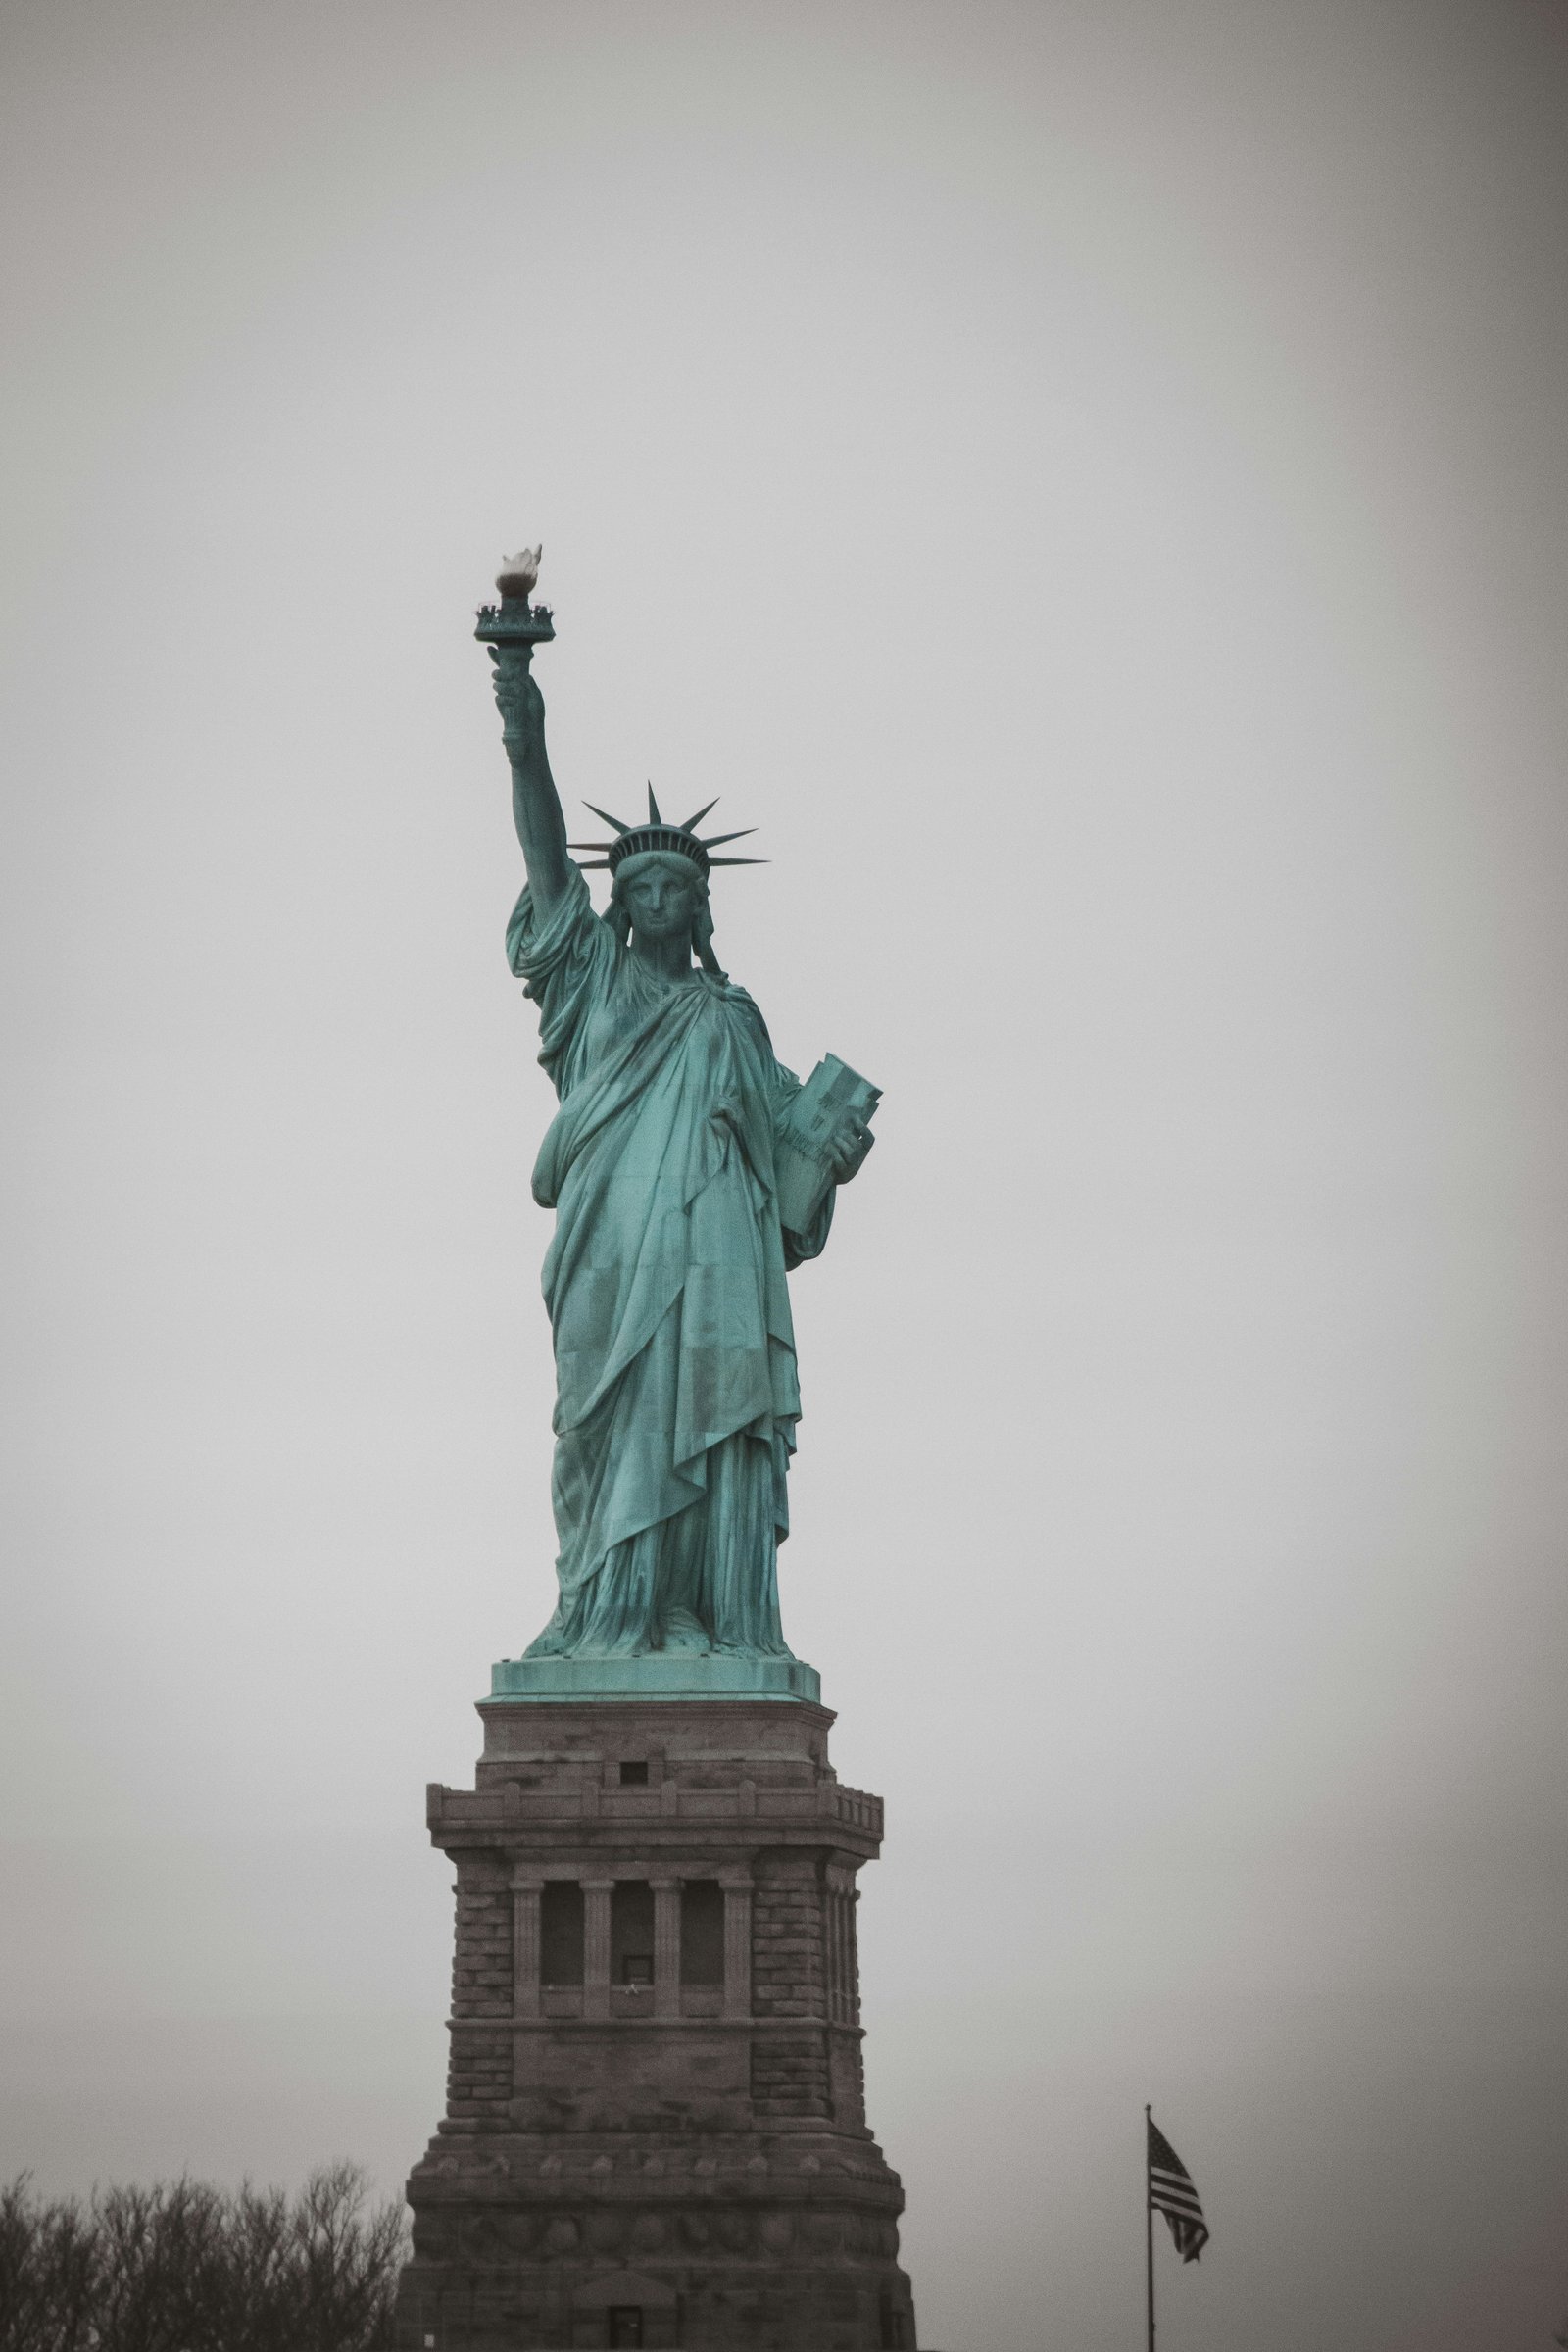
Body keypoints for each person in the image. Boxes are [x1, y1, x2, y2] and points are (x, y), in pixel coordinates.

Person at [494, 661, 872, 1660]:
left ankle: (689, 1611)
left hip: (714, 1263)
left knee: (702, 1416)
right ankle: (598, 1609)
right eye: (640, 886)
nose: (658, 899)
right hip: (611, 1253)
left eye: (677, 888)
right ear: (617, 905)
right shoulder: (589, 985)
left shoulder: (731, 1016)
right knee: (603, 1424)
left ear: (701, 908)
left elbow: (785, 1175)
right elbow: (543, 861)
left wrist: (832, 1152)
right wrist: (523, 724)